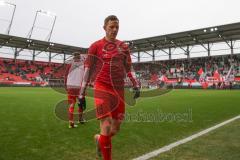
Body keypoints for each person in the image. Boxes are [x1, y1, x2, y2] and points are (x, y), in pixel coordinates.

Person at [79, 15, 140, 160]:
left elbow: (129, 68)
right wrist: (81, 94)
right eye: (111, 27)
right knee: (106, 124)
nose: (114, 30)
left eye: (117, 27)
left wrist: (135, 84)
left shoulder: (123, 47)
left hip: (118, 89)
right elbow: (87, 70)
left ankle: (100, 139)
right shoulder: (95, 46)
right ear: (104, 27)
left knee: (116, 127)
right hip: (102, 87)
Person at [65, 52, 86, 128]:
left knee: (71, 105)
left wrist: (65, 86)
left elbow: (65, 75)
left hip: (70, 86)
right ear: (79, 57)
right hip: (79, 88)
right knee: (81, 105)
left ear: (73, 57)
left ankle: (71, 122)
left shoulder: (69, 64)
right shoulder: (83, 65)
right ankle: (80, 119)